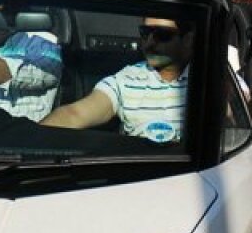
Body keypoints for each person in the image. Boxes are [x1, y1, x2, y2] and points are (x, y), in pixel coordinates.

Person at [41, 14, 192, 144]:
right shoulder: (128, 79)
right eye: (146, 32)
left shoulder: (209, 81)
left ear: (188, 39)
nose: (150, 42)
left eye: (162, 35)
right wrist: (32, 141)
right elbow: (75, 114)